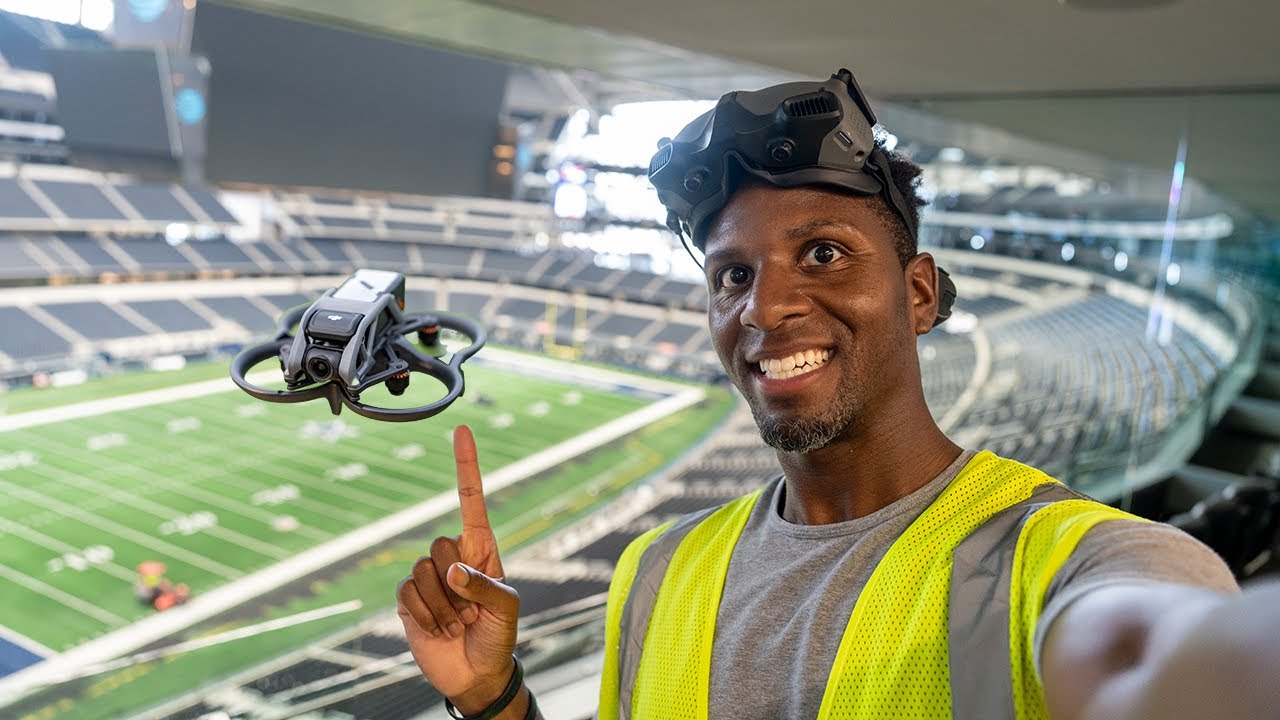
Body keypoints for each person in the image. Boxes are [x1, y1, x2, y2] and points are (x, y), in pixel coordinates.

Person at [397, 69, 1280, 720]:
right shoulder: (656, 571)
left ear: (921, 293)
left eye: (823, 253)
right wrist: (493, 696)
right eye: (732, 274)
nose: (766, 306)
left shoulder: (1063, 560)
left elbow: (1146, 649)